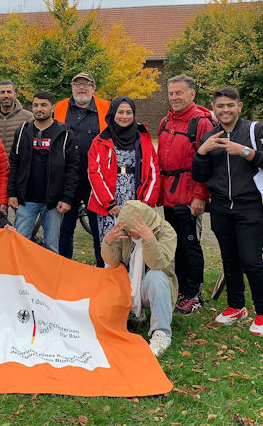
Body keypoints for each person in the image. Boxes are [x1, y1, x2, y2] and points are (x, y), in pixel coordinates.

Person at [192, 87, 263, 336]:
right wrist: (202, 151)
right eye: (220, 106)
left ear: (239, 107)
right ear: (214, 109)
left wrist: (246, 152)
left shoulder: (255, 130)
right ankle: (236, 305)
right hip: (220, 206)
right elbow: (198, 175)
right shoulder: (210, 136)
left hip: (249, 205)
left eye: (230, 105)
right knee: (229, 259)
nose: (225, 110)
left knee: (251, 261)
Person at [157, 73, 215, 314]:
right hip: (169, 194)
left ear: (192, 94)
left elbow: (207, 163)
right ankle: (181, 287)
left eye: (179, 93)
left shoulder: (201, 123)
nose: (174, 97)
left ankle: (194, 293)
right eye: (171, 93)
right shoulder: (165, 122)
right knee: (175, 244)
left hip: (189, 194)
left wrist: (200, 195)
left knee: (190, 244)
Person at [101, 200, 178, 358]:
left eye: (131, 230)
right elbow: (112, 260)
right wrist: (108, 242)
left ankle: (161, 333)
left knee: (156, 276)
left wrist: (148, 240)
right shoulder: (127, 232)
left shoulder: (167, 232)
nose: (128, 234)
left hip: (157, 289)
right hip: (129, 285)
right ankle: (121, 318)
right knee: (111, 275)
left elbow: (158, 263)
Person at [8, 91, 80, 253]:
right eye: (36, 105)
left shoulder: (65, 133)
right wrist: (12, 192)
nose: (39, 108)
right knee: (20, 244)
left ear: (52, 107)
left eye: (43, 105)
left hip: (53, 202)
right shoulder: (22, 131)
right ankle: (22, 277)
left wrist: (67, 198)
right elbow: (14, 163)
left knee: (52, 246)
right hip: (26, 200)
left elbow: (73, 168)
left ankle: (50, 278)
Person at [87, 96, 160, 243]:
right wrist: (110, 204)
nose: (124, 116)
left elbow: (153, 172)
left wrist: (145, 204)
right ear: (113, 114)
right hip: (109, 202)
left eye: (129, 112)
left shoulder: (143, 139)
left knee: (136, 246)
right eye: (120, 112)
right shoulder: (100, 140)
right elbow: (94, 172)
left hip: (136, 200)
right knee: (111, 246)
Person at [54, 72, 108, 265]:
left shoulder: (106, 108)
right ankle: (63, 267)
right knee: (64, 228)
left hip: (95, 181)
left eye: (86, 84)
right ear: (72, 88)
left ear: (93, 88)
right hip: (66, 180)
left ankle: (102, 268)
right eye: (77, 84)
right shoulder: (59, 108)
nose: (81, 88)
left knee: (98, 227)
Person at [0, 80, 33, 158]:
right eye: (2, 92)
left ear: (15, 95)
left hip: (18, 167)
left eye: (9, 92)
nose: (6, 95)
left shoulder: (28, 118)